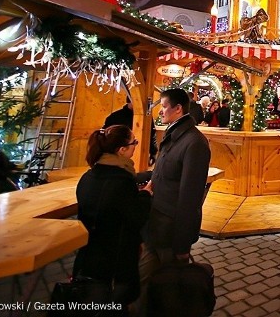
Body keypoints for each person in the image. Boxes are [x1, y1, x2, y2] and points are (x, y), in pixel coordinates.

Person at [74, 124, 152, 305]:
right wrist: (145, 195)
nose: (136, 147)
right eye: (135, 143)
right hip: (116, 263)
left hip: (87, 257)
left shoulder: (88, 177)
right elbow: (135, 217)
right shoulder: (122, 181)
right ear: (122, 150)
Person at [140, 88, 210, 289]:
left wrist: (182, 244)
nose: (160, 112)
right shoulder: (174, 134)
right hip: (156, 224)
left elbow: (190, 198)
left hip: (170, 230)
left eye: (164, 107)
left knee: (166, 287)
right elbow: (162, 170)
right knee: (145, 280)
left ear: (178, 109)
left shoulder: (194, 142)